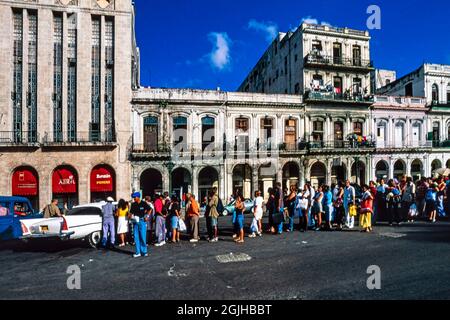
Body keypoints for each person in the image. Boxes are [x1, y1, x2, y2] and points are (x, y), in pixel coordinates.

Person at [129, 192, 150, 258]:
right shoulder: (133, 204)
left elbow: (150, 209)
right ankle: (138, 252)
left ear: (138, 197)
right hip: (135, 222)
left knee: (143, 236)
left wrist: (147, 216)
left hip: (142, 221)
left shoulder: (143, 203)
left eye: (135, 197)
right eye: (133, 198)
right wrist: (129, 216)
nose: (134, 199)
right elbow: (131, 213)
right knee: (136, 237)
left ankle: (144, 251)